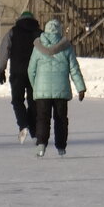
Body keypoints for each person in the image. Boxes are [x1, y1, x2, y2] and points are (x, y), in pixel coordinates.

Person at [27, 18, 86, 158]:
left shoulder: (38, 47)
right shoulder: (66, 47)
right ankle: (61, 147)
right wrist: (81, 88)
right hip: (61, 91)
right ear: (59, 31)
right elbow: (74, 69)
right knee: (60, 119)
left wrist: (36, 86)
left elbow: (31, 70)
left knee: (42, 118)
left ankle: (41, 146)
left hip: (42, 92)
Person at [0, 9, 42, 144]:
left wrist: (1, 70)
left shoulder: (13, 32)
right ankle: (34, 131)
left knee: (17, 100)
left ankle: (23, 124)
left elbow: (4, 50)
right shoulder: (39, 33)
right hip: (36, 74)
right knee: (34, 103)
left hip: (17, 72)